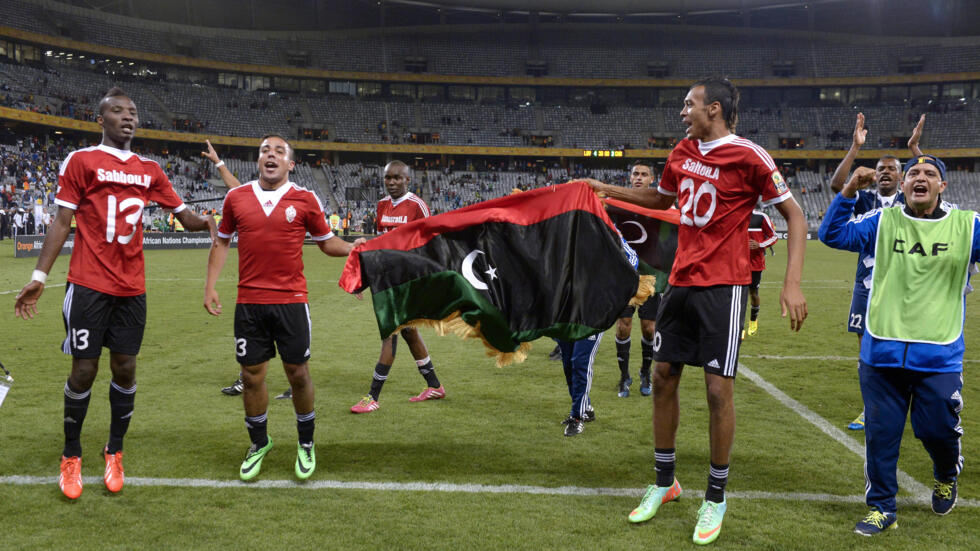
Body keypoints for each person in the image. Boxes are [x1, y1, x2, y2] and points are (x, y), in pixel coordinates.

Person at [588, 77, 808, 545]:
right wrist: (605, 188)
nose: (683, 111)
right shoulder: (681, 151)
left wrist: (791, 284)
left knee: (716, 390)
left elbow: (795, 215)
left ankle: (716, 496)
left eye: (689, 104)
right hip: (681, 282)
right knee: (664, 374)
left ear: (715, 109)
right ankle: (665, 483)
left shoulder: (749, 155)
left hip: (724, 287)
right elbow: (662, 200)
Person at [13, 87, 216, 500]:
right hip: (88, 284)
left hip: (131, 288)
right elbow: (62, 221)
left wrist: (210, 222)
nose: (129, 117)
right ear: (100, 119)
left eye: (133, 112)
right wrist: (39, 274)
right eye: (119, 111)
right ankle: (71, 454)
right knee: (84, 370)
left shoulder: (150, 169)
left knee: (125, 369)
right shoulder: (81, 161)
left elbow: (183, 216)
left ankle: (114, 449)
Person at [819, 155, 970, 535]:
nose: (921, 178)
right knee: (881, 437)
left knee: (937, 431)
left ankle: (945, 472)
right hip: (881, 353)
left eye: (930, 174)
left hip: (938, 354)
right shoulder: (882, 221)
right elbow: (832, 235)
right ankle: (882, 508)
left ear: (942, 187)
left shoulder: (967, 227)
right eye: (914, 173)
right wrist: (850, 190)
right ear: (903, 185)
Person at [204, 134, 364, 481]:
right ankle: (259, 443)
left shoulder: (305, 199)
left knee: (299, 375)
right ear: (258, 161)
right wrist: (210, 285)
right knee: (251, 377)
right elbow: (222, 242)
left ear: (291, 164)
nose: (271, 155)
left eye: (279, 151)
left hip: (291, 303)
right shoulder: (237, 197)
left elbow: (326, 243)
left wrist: (353, 247)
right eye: (265, 151)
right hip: (249, 304)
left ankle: (305, 443)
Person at [828, 113, 923, 431]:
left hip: (901, 286)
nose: (885, 173)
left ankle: (904, 402)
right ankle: (871, 408)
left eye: (892, 169)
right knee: (865, 348)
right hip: (865, 284)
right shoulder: (864, 199)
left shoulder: (909, 202)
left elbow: (930, 181)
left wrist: (915, 152)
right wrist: (855, 149)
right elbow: (837, 185)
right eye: (880, 169)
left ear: (901, 176)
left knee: (903, 346)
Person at [350, 161, 446, 414]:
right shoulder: (382, 206)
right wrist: (364, 275)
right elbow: (381, 246)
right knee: (408, 332)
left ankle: (372, 396)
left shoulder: (417, 206)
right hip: (386, 280)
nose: (391, 182)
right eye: (387, 179)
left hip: (407, 283)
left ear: (407, 180)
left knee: (390, 333)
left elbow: (431, 244)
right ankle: (434, 385)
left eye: (396, 178)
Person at [200, 140, 292, 400]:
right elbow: (236, 189)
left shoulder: (291, 198)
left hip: (285, 283)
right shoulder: (247, 196)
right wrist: (218, 163)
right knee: (254, 340)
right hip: (254, 284)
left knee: (287, 342)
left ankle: (294, 385)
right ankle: (245, 379)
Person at [613, 160, 660, 398]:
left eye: (644, 174)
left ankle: (645, 371)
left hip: (650, 276)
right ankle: (624, 377)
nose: (639, 177)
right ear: (629, 178)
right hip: (624, 276)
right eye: (635, 174)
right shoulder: (617, 204)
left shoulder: (660, 206)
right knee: (623, 327)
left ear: (652, 179)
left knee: (649, 328)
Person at [743, 206, 777, 339]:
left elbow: (774, 236)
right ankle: (739, 327)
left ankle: (753, 320)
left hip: (755, 264)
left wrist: (760, 245)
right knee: (738, 296)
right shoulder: (736, 215)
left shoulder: (761, 217)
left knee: (753, 293)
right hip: (736, 264)